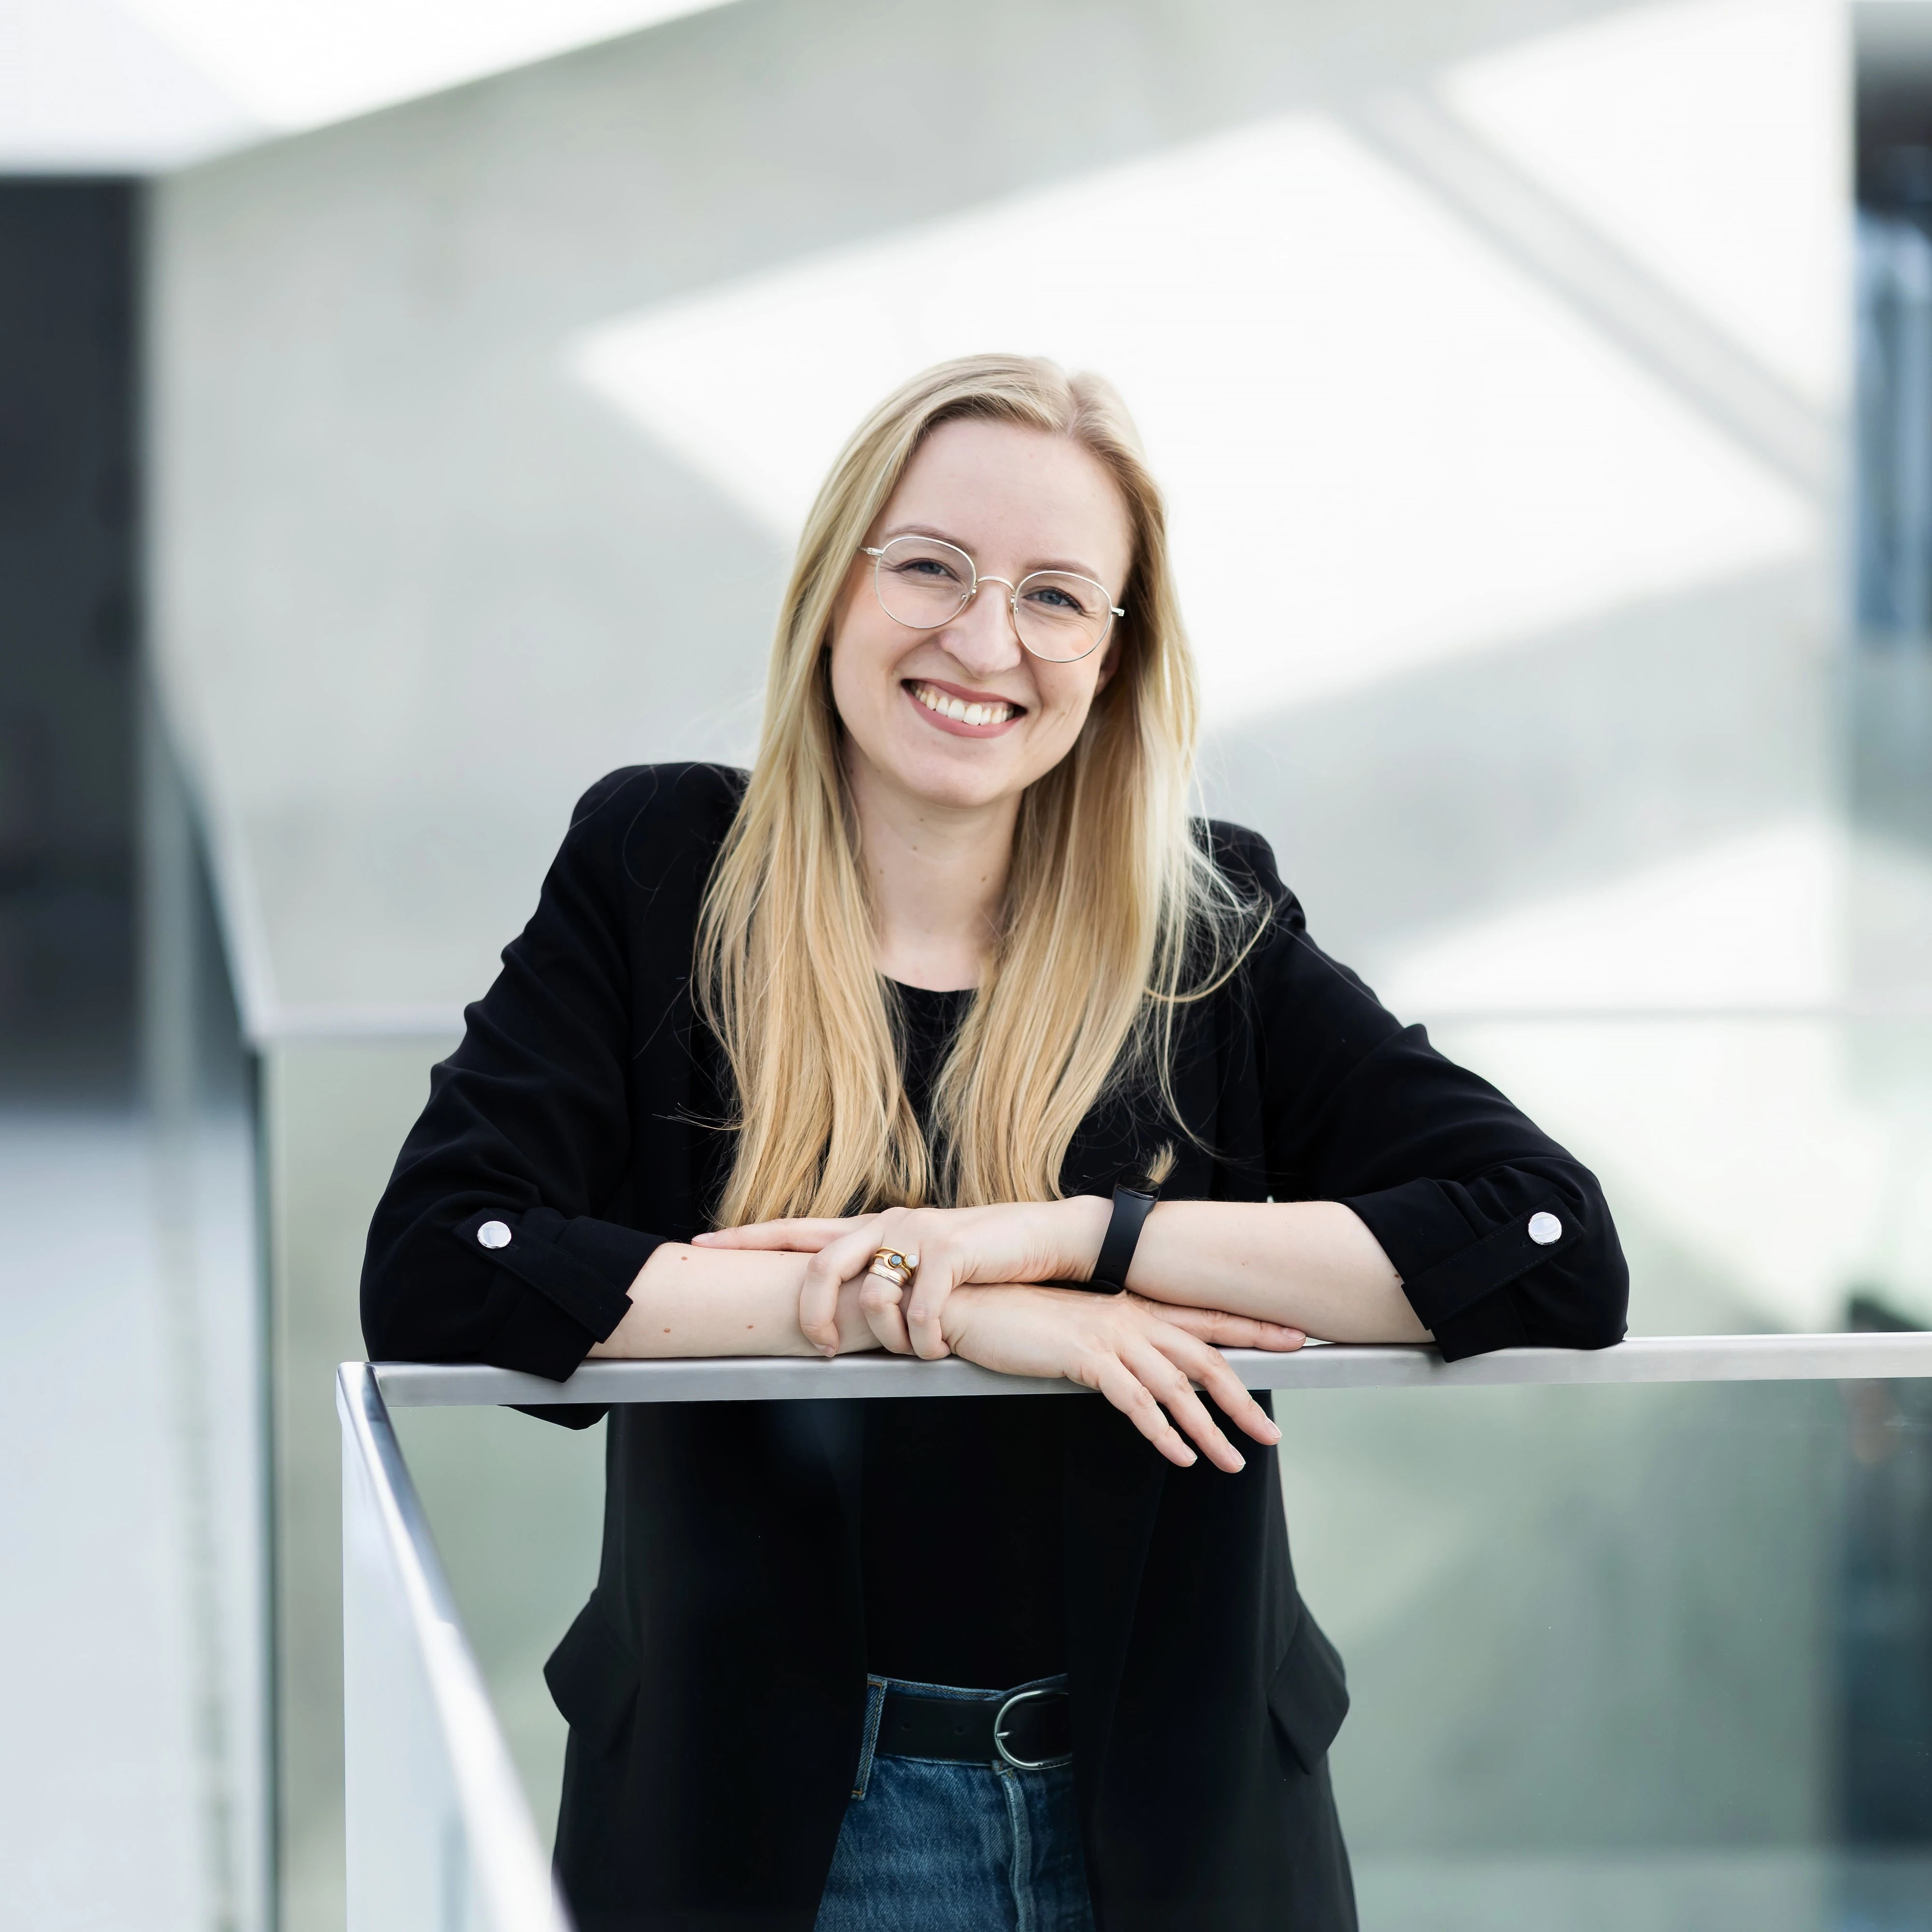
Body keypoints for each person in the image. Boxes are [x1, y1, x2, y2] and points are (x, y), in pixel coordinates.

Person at [361, 353, 1628, 1932]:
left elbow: (1550, 1251)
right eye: (934, 568)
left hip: (1177, 1832)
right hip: (765, 1834)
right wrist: (951, 1309)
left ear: (1113, 656)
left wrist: (1076, 1240)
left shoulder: (1206, 931)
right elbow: (440, 1268)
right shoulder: (661, 875)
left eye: (1052, 595)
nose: (984, 640)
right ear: (836, 585)